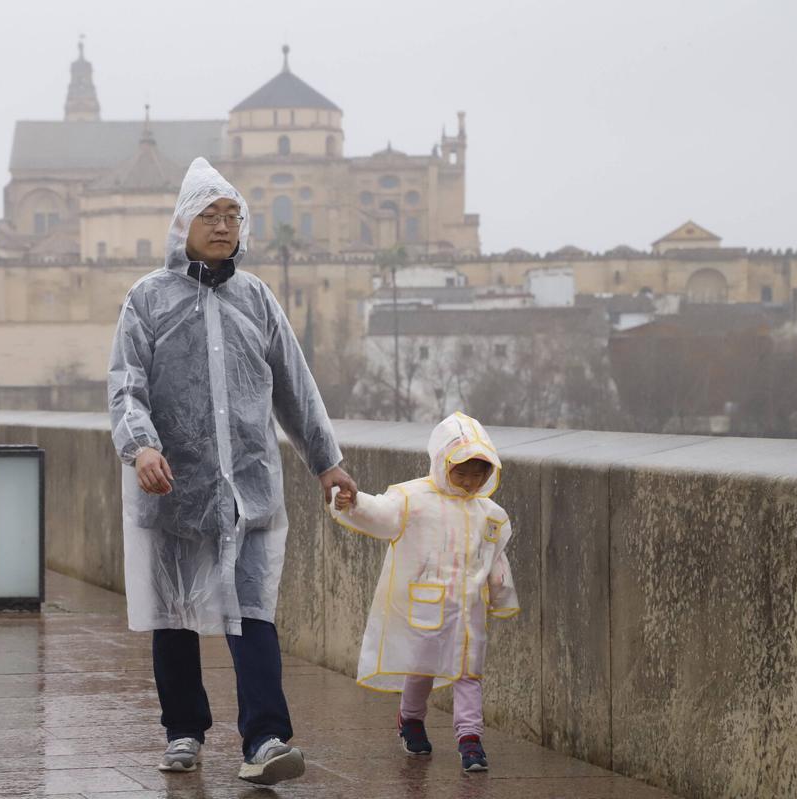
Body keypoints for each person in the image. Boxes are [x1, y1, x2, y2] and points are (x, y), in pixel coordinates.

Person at [108, 157, 357, 786]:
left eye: (233, 217)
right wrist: (141, 448)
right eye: (209, 216)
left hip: (247, 487)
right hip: (171, 483)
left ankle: (265, 739)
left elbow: (294, 387)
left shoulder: (255, 298)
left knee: (252, 611)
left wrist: (326, 462)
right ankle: (184, 730)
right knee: (173, 612)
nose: (223, 227)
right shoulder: (147, 299)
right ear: (182, 223)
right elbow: (126, 388)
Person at [328, 411, 520, 773]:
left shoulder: (490, 514)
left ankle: (470, 738)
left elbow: (494, 557)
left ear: (488, 474)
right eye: (459, 472)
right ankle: (411, 718)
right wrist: (354, 502)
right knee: (421, 669)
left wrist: (500, 590)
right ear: (441, 464)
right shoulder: (413, 498)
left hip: (468, 612)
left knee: (468, 672)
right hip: (427, 608)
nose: (467, 481)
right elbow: (381, 512)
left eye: (476, 475)